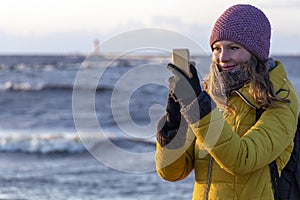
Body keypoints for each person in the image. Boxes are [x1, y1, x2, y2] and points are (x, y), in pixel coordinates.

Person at [155, 4, 299, 200]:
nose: (223, 57)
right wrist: (173, 124)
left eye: (233, 48)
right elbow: (171, 173)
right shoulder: (211, 94)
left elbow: (242, 159)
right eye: (216, 48)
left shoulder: (280, 98)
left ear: (255, 51)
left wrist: (198, 106)